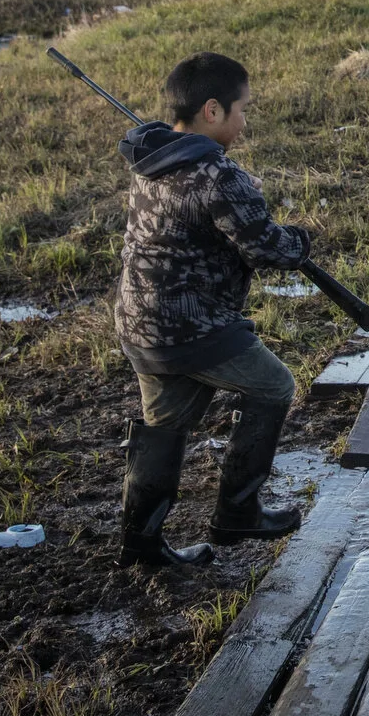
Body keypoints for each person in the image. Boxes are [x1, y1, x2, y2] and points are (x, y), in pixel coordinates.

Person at [114, 52, 315, 568]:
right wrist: (301, 240)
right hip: (194, 326)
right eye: (243, 110)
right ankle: (238, 510)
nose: (246, 122)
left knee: (163, 425)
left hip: (140, 322)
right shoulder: (215, 175)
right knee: (274, 386)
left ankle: (141, 545)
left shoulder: (152, 158)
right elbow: (268, 250)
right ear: (211, 110)